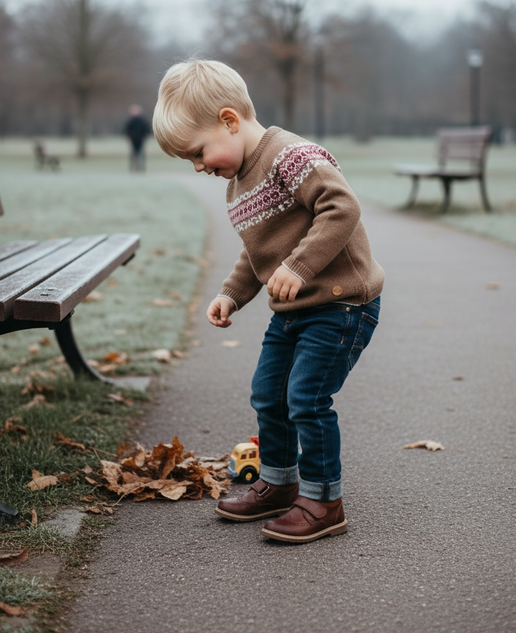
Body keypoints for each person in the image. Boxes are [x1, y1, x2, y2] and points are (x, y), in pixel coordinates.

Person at [152, 60, 385, 544]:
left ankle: (324, 501)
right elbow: (258, 250)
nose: (200, 167)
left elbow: (341, 208)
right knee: (268, 393)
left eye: (198, 153)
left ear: (230, 121)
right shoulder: (238, 182)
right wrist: (231, 294)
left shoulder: (292, 156)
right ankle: (279, 483)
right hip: (295, 311)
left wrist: (298, 267)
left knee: (306, 398)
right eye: (190, 162)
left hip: (341, 304)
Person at [124, 104, 151, 171]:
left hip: (141, 139)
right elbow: (127, 129)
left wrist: (146, 136)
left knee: (142, 154)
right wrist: (128, 136)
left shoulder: (142, 120)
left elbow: (147, 129)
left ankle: (142, 167)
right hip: (133, 139)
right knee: (133, 154)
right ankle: (133, 167)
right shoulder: (130, 120)